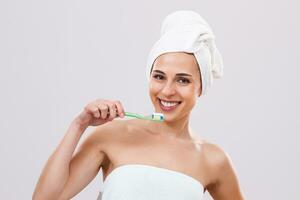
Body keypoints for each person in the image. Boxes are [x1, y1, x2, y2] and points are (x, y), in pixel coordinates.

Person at [33, 10, 245, 200]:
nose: (167, 90)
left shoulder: (213, 159)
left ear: (200, 87)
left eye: (183, 80)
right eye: (159, 77)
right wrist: (79, 125)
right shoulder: (111, 136)